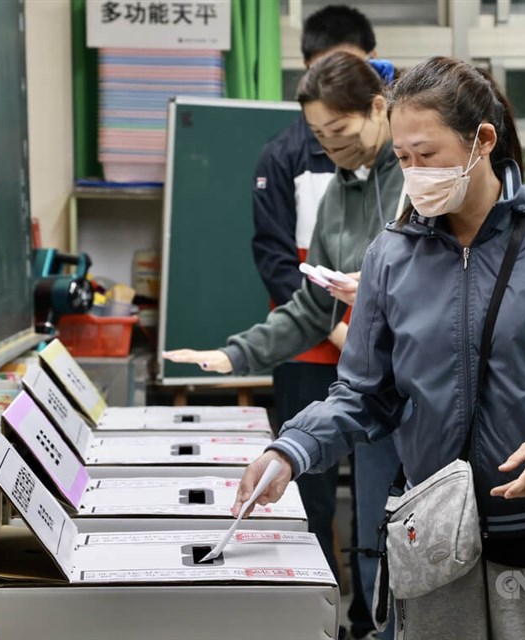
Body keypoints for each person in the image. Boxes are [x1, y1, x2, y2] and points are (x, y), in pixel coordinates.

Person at [227, 56, 525, 640]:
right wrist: (291, 450)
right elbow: (363, 394)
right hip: (435, 539)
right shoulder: (390, 257)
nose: (414, 173)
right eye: (402, 158)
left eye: (428, 154)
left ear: (482, 141)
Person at [164, 50, 403, 640]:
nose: (329, 148)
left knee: (428, 547)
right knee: (375, 536)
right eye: (318, 136)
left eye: (340, 132)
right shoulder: (338, 194)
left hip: (432, 396)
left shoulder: (420, 176)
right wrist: (235, 355)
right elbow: (311, 304)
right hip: (374, 391)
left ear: (379, 108)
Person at [249, 8, 378, 639]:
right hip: (312, 354)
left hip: (387, 354)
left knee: (383, 498)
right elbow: (276, 262)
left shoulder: (397, 157)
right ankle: (321, 620)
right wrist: (336, 333)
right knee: (312, 493)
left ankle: (370, 618)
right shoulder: (284, 155)